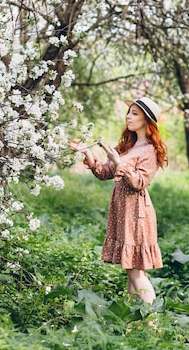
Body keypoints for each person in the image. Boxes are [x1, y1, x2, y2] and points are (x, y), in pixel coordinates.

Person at [69, 97, 167, 304]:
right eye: (128, 112)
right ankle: (135, 319)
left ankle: (153, 321)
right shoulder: (127, 146)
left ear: (146, 120)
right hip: (122, 211)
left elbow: (139, 182)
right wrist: (86, 152)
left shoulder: (149, 150)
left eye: (134, 113)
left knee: (135, 272)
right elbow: (104, 173)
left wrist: (119, 162)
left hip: (137, 213)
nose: (128, 117)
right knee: (132, 269)